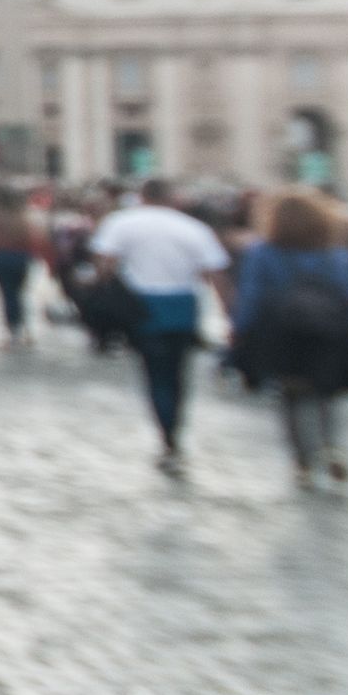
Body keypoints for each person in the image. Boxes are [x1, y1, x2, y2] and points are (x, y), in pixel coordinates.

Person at [90, 178, 235, 475]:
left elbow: (104, 264)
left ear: (142, 196)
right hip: (183, 305)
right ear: (173, 199)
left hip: (143, 305)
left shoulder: (121, 222)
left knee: (155, 372)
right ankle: (175, 428)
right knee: (178, 372)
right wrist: (231, 315)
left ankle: (167, 436)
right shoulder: (193, 228)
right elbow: (216, 275)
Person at [231, 190, 348, 487]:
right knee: (328, 393)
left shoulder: (263, 252)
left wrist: (240, 329)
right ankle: (332, 447)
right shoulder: (339, 255)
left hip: (284, 334)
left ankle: (303, 462)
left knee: (292, 397)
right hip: (330, 333)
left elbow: (252, 296)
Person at [0, 185, 44, 348]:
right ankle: (26, 329)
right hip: (22, 258)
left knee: (7, 295)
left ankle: (13, 331)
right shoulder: (24, 216)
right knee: (20, 294)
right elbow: (36, 238)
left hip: (2, 257)